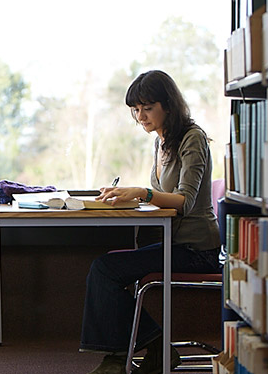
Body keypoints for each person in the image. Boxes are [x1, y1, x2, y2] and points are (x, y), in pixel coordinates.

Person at [80, 70, 221, 374]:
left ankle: (130, 354)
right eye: (135, 109)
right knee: (105, 267)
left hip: (198, 250)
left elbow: (184, 200)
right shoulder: (161, 142)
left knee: (104, 270)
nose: (140, 116)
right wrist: (127, 196)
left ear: (167, 106)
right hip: (176, 242)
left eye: (147, 108)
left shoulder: (191, 138)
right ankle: (149, 349)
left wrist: (143, 192)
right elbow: (162, 197)